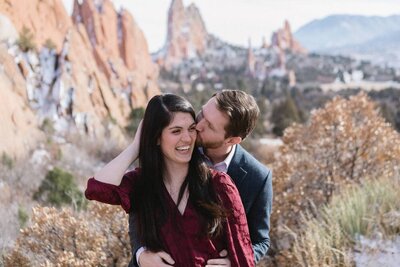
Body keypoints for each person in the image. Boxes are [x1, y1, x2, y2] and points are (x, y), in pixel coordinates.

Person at [85, 94, 255, 267]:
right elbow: (96, 189)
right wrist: (137, 145)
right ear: (157, 137)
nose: (187, 138)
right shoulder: (140, 184)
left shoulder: (220, 185)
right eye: (176, 131)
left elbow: (244, 257)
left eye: (191, 128)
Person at [132, 89, 273, 266]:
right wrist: (141, 253)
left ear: (232, 140)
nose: (198, 126)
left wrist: (233, 261)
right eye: (202, 113)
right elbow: (139, 204)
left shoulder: (258, 177)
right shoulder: (177, 149)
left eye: (210, 126)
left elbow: (261, 241)